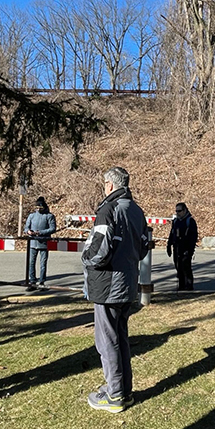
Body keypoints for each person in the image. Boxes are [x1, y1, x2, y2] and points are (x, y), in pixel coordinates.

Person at [83, 167, 149, 413]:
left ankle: (115, 395)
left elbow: (97, 252)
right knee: (120, 337)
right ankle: (124, 390)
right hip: (128, 283)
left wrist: (84, 257)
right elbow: (144, 247)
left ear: (110, 185)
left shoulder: (108, 209)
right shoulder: (136, 210)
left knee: (106, 340)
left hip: (108, 285)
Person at [24, 196, 57, 288]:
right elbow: (26, 227)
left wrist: (41, 232)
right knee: (31, 262)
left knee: (43, 263)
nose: (38, 209)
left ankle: (42, 281)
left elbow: (53, 228)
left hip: (44, 243)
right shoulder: (32, 216)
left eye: (40, 208)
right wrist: (28, 231)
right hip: (33, 243)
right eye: (37, 208)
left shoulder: (49, 216)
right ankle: (32, 281)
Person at [167, 202, 198, 292]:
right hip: (177, 247)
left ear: (185, 210)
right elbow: (171, 234)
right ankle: (181, 286)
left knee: (186, 267)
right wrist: (169, 245)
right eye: (176, 211)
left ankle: (189, 286)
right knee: (178, 267)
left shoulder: (190, 221)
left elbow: (193, 237)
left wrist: (190, 250)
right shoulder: (176, 221)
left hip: (186, 248)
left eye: (179, 211)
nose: (177, 213)